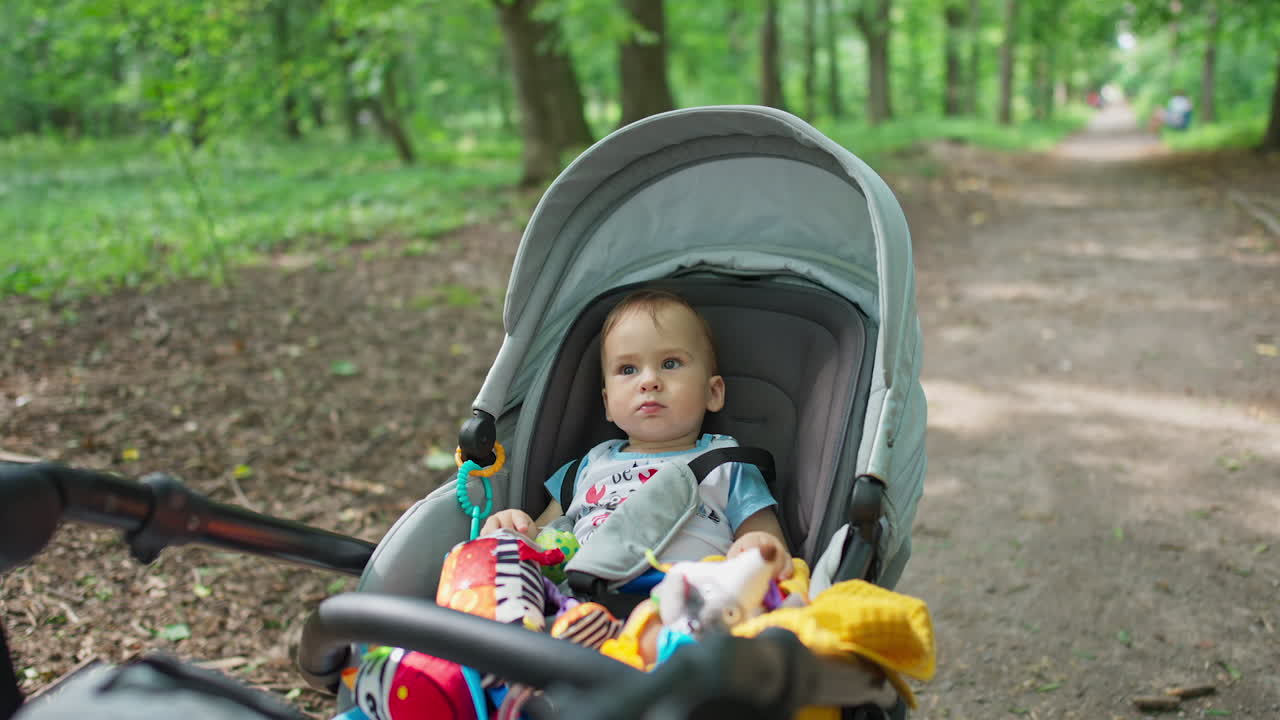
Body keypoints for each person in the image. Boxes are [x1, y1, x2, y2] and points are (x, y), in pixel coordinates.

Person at [482, 289, 793, 579]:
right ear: (607, 403)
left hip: (687, 600)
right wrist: (515, 526)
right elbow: (543, 539)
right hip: (582, 600)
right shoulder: (585, 468)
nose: (649, 381)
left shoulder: (726, 464)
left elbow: (768, 543)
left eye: (670, 363)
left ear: (712, 392)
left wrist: (757, 549)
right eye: (628, 370)